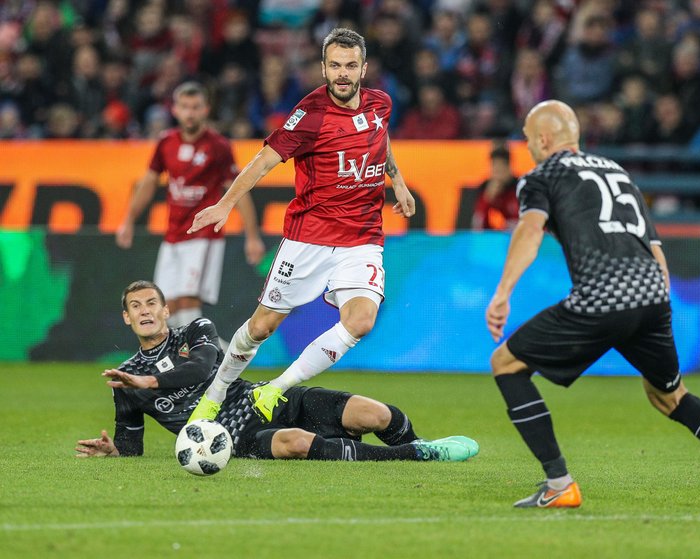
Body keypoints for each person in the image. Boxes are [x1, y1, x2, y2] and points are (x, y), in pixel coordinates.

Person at [484, 100, 700, 511]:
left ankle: (559, 483)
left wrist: (503, 292)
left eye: (526, 135)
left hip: (604, 295)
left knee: (507, 363)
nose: (526, 143)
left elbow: (531, 229)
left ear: (542, 138)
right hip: (652, 293)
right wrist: (658, 305)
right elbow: (654, 247)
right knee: (670, 396)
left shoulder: (542, 176)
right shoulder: (617, 171)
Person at [185, 28, 416, 426]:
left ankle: (275, 389)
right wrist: (226, 204)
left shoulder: (381, 104)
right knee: (261, 327)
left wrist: (398, 181)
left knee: (360, 320)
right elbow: (262, 161)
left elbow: (382, 140)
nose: (343, 74)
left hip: (361, 239)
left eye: (351, 66)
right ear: (324, 68)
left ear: (363, 68)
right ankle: (216, 392)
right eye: (335, 66)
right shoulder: (309, 116)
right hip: (308, 239)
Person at [76, 281, 478, 462]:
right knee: (297, 443)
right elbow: (131, 443)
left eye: (151, 304)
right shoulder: (124, 378)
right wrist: (115, 450)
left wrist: (149, 381)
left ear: (166, 310)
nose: (145, 311)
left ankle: (420, 442)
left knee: (374, 414)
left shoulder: (196, 330)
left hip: (265, 397)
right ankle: (416, 456)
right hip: (233, 437)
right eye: (136, 307)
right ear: (126, 319)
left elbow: (200, 368)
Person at [116, 81, 265, 329]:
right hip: (173, 235)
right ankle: (212, 355)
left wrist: (252, 236)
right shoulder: (166, 143)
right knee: (166, 307)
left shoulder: (218, 146)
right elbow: (149, 183)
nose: (190, 113)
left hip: (203, 234)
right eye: (185, 107)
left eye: (196, 107)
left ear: (206, 109)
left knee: (187, 300)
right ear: (175, 109)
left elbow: (238, 190)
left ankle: (205, 359)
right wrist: (128, 221)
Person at [471, 144, 519, 231]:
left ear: (509, 167)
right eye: (494, 168)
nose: (497, 173)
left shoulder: (520, 187)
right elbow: (478, 224)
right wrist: (487, 199)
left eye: (501, 168)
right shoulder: (485, 188)